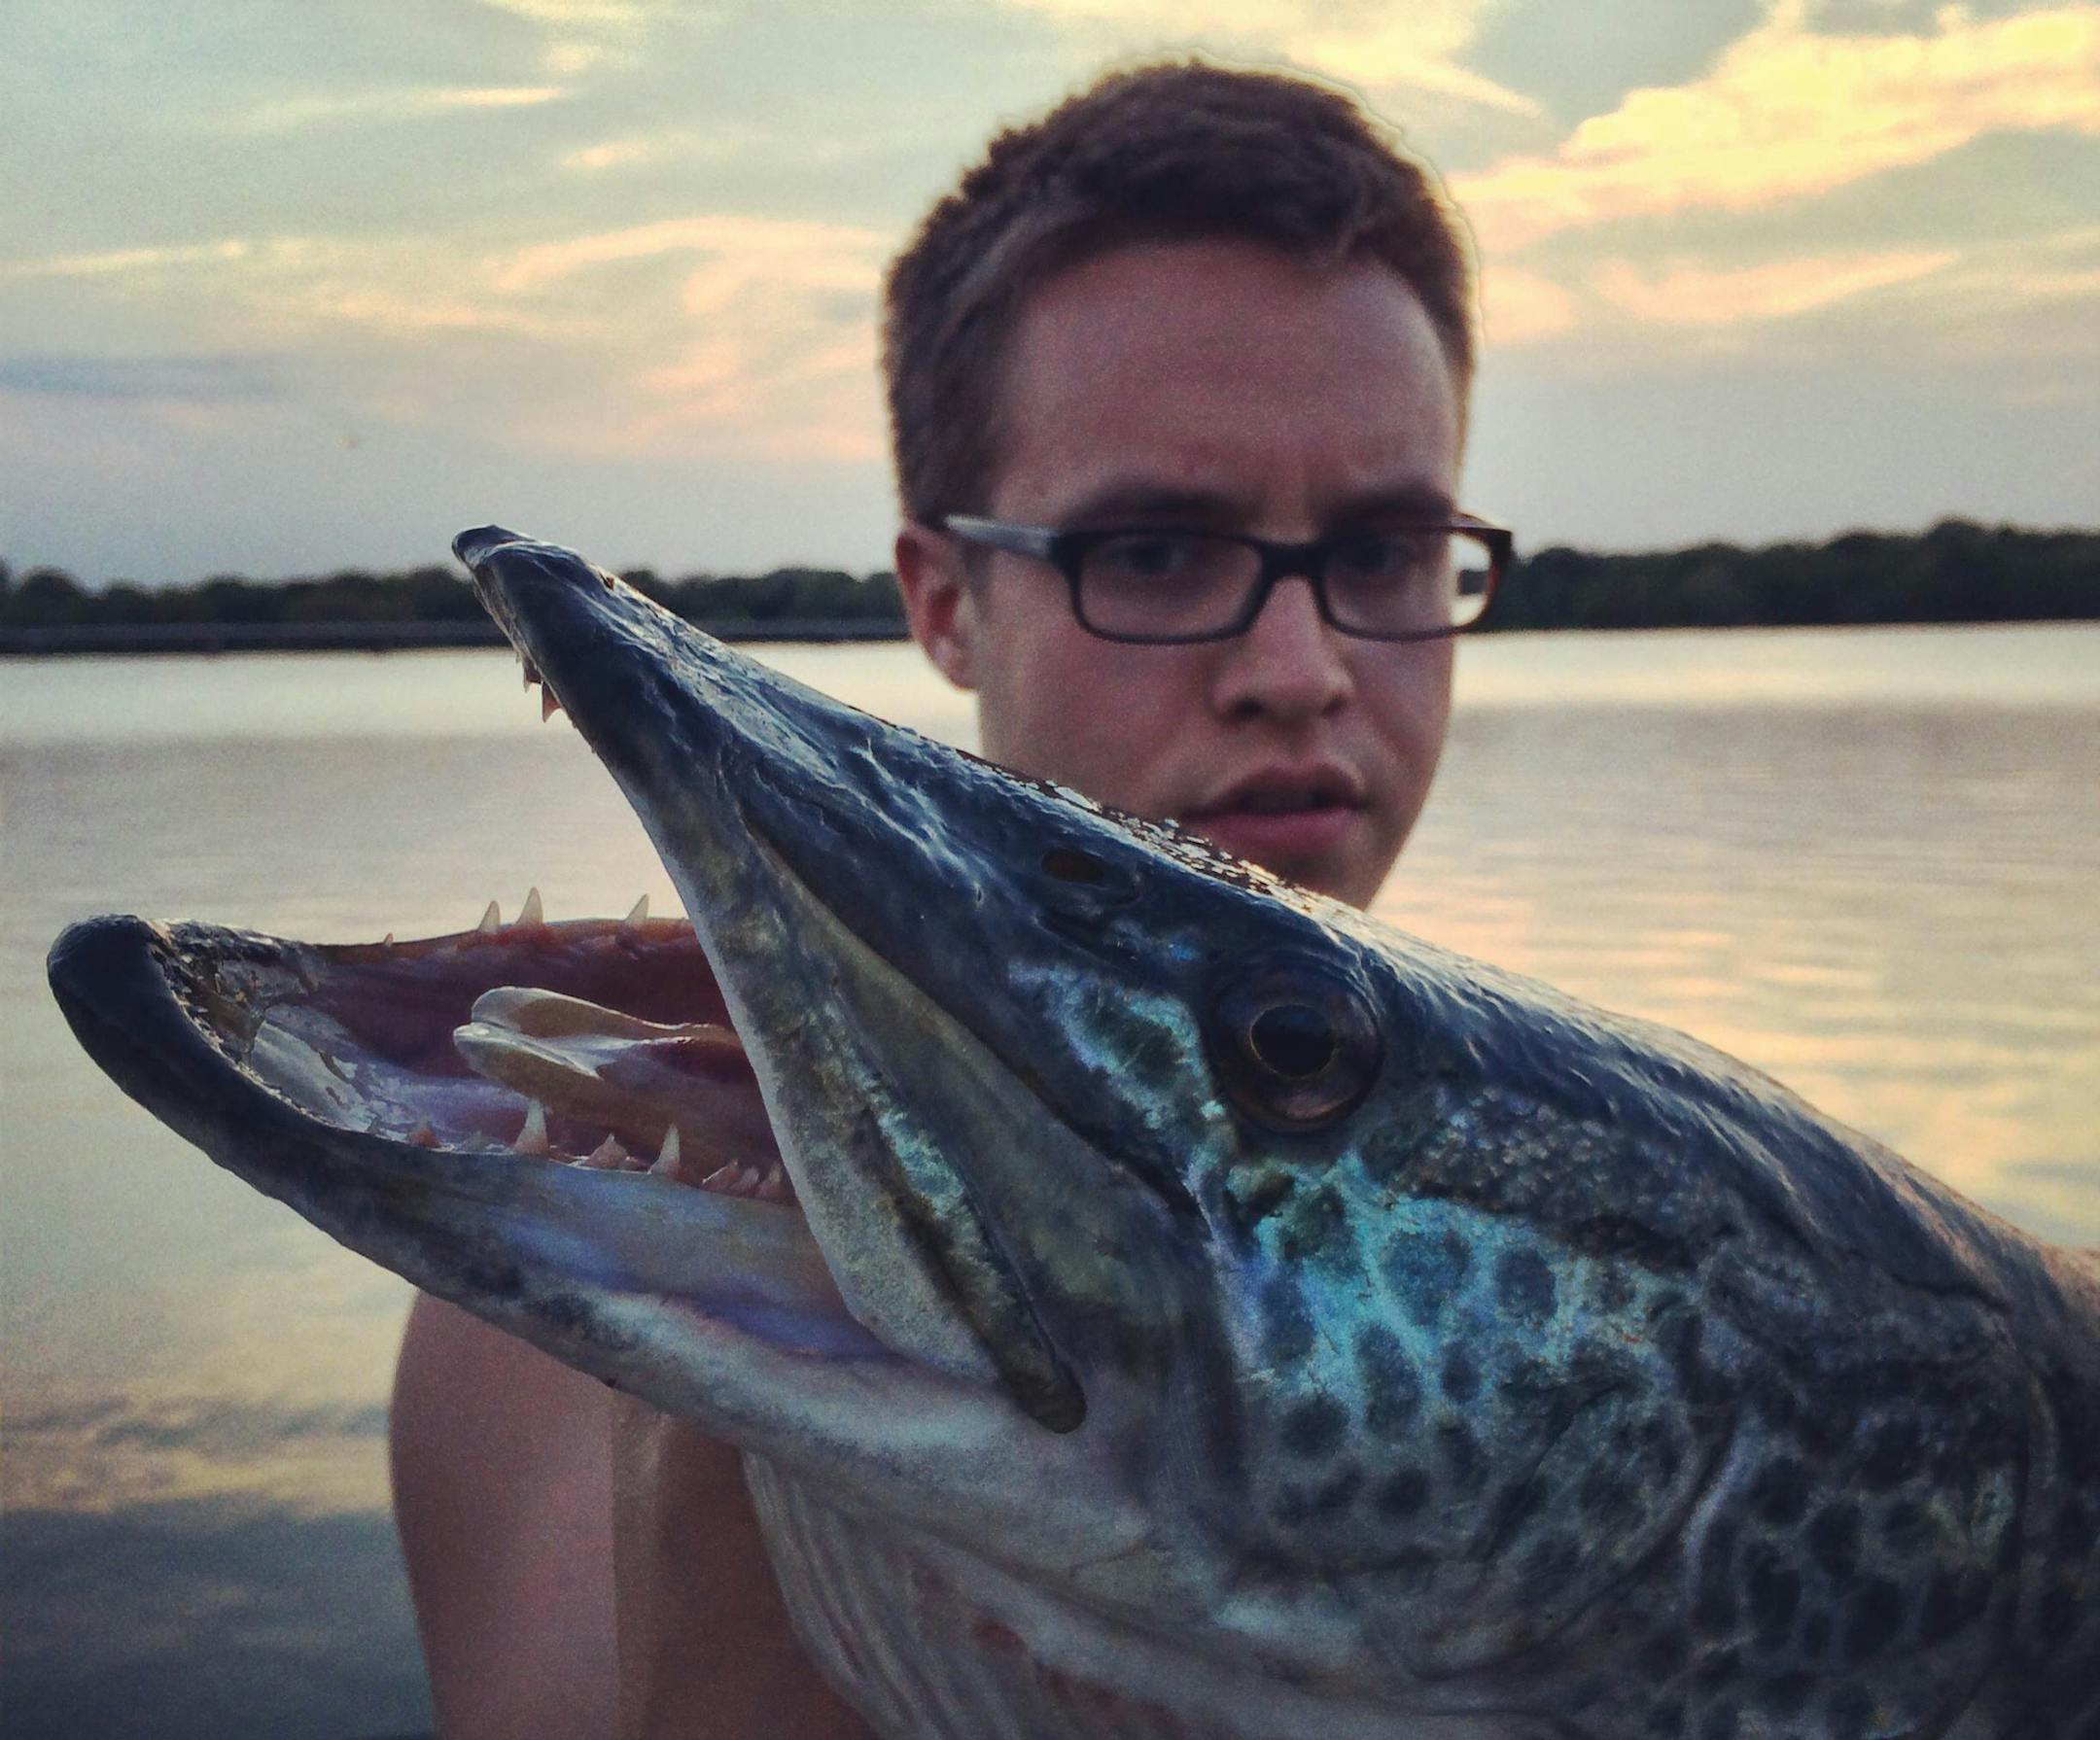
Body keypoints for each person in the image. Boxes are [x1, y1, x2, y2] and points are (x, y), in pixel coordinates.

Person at [390, 58, 1496, 1739]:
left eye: (1383, 552)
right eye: (1153, 551)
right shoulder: (565, 1306)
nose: (1301, 665)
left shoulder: (1621, 1240)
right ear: (945, 602)